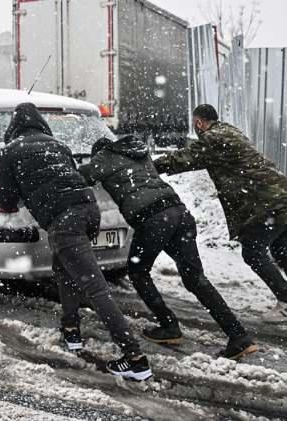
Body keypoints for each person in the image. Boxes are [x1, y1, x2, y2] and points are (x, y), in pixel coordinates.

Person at [0, 103, 152, 381]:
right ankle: (71, 332)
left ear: (13, 127)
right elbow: (68, 177)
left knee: (96, 289)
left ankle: (136, 359)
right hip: (89, 211)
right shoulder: (58, 145)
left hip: (64, 222)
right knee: (63, 272)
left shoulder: (8, 152)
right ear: (41, 124)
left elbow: (9, 199)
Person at [80, 135, 257, 359]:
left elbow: (77, 178)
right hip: (180, 213)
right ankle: (239, 336)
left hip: (153, 219)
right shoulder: (138, 154)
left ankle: (169, 325)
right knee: (196, 279)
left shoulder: (104, 158)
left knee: (137, 272)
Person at [155, 104, 287, 323]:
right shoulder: (230, 131)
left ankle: (285, 301)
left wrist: (148, 166)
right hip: (280, 195)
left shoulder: (213, 139)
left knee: (253, 252)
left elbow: (182, 159)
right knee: (281, 249)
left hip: (267, 202)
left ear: (198, 123)